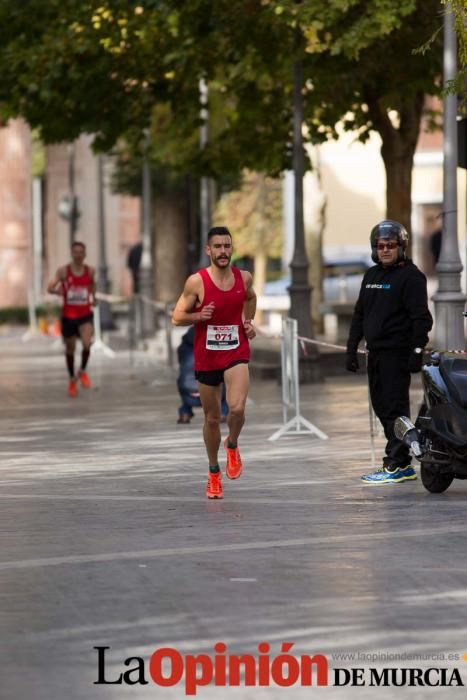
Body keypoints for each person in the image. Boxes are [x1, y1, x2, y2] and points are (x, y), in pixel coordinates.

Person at [345, 220, 433, 484]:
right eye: (380, 246)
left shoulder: (411, 276)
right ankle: (401, 459)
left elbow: (421, 319)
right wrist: (351, 347)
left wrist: (416, 350)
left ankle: (397, 464)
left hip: (397, 354)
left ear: (401, 247)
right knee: (382, 408)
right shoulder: (371, 276)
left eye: (390, 245)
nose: (385, 250)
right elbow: (360, 313)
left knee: (395, 408)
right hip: (376, 354)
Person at [172, 226, 257, 499]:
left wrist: (248, 321)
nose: (223, 251)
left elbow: (251, 298)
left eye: (227, 246)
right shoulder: (196, 282)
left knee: (237, 408)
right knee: (212, 418)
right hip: (207, 355)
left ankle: (232, 444)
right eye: (217, 247)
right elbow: (177, 316)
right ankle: (213, 472)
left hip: (236, 351)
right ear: (209, 250)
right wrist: (199, 316)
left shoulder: (244, 278)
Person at [47, 241, 97, 397]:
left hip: (85, 314)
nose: (78, 255)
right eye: (75, 252)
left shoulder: (90, 271)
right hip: (68, 316)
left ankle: (82, 371)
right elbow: (50, 287)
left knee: (87, 344)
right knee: (70, 349)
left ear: (85, 254)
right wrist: (58, 292)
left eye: (81, 252)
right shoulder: (63, 271)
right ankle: (71, 379)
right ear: (72, 253)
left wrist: (93, 297)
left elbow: (92, 285)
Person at [176, 326, 229, 424]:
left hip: (189, 391)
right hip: (211, 391)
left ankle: (185, 412)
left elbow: (181, 362)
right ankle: (223, 413)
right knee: (223, 382)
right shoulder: (214, 345)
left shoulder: (183, 347)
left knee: (183, 380)